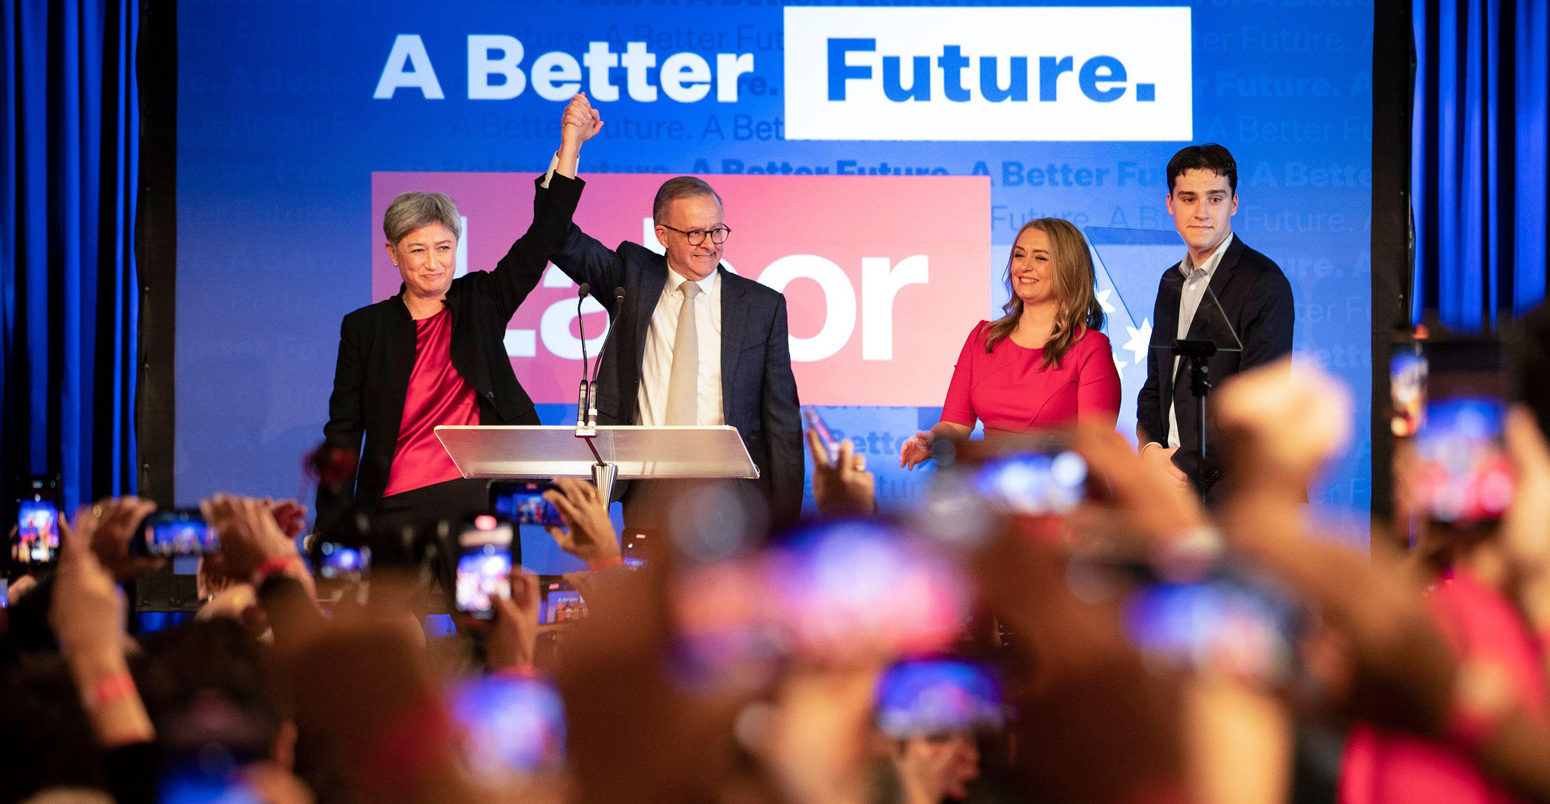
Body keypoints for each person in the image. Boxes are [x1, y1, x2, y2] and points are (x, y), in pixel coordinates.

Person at [536, 93, 803, 528]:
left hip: (733, 492)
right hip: (649, 487)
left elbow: (782, 424)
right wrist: (571, 146)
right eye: (695, 233)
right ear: (662, 233)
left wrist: (788, 530)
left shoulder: (761, 306)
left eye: (718, 230)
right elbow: (555, 236)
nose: (710, 244)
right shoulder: (632, 279)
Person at [319, 166, 583, 536]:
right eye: (418, 250)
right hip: (391, 508)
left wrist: (570, 148)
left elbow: (543, 236)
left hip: (476, 499)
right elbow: (343, 433)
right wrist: (330, 523)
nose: (433, 263)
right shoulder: (365, 327)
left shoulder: (482, 300)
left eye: (443, 248)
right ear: (393, 253)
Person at [1136, 143, 1294, 503]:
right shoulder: (1170, 282)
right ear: (1170, 204)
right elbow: (1156, 384)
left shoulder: (1263, 282)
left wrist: (1178, 465)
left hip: (1230, 493)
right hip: (1167, 488)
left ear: (1234, 204)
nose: (1202, 212)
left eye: (1216, 198)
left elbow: (1256, 403)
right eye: (1189, 198)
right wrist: (1149, 453)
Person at [900, 218, 1120, 469]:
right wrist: (933, 441)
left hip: (1057, 496)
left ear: (1068, 268)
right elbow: (954, 424)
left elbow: (1095, 447)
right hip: (991, 489)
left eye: (1040, 258)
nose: (1024, 267)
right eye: (1019, 255)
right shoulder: (983, 337)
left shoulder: (1090, 347)